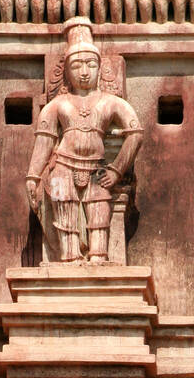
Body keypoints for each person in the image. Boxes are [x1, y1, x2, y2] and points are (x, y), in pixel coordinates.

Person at [26, 17, 142, 263]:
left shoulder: (110, 102)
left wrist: (117, 169)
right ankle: (69, 259)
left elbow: (135, 132)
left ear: (100, 69)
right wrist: (33, 177)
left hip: (98, 168)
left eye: (90, 64)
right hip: (63, 166)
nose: (84, 71)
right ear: (67, 72)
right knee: (62, 206)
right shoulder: (58, 105)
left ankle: (98, 258)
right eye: (77, 65)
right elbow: (44, 142)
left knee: (99, 212)